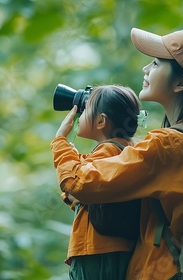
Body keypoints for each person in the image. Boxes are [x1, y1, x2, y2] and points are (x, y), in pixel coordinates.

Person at [51, 27, 183, 279]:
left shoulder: (169, 145)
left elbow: (80, 182)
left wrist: (60, 141)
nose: (145, 69)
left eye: (157, 63)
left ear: (180, 83)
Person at [54, 84, 143, 280]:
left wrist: (60, 141)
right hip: (114, 251)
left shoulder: (109, 151)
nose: (79, 115)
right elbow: (80, 189)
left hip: (96, 252)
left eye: (85, 110)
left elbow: (75, 183)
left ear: (101, 121)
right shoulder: (125, 149)